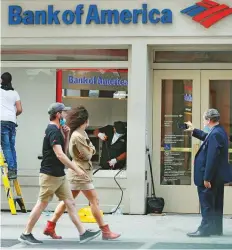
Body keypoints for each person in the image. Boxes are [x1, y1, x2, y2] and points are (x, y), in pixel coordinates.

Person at [19, 103, 101, 245]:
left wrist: (67, 134)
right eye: (63, 113)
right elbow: (60, 155)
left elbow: (64, 150)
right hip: (50, 175)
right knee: (41, 204)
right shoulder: (53, 131)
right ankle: (26, 233)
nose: (66, 115)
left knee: (70, 203)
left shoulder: (58, 130)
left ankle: (83, 233)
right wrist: (77, 169)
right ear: (58, 114)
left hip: (59, 175)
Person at [43, 106, 121, 240]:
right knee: (94, 200)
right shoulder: (78, 136)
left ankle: (50, 226)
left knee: (67, 201)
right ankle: (105, 231)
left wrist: (90, 150)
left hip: (79, 172)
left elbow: (90, 152)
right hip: (81, 173)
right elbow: (88, 155)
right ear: (84, 120)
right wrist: (91, 150)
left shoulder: (81, 134)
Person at [185, 109, 232, 237]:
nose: (204, 121)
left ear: (209, 120)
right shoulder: (218, 131)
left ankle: (205, 229)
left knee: (207, 203)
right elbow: (208, 139)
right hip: (217, 176)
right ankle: (215, 229)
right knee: (216, 203)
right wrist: (194, 131)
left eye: (204, 119)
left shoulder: (215, 134)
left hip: (211, 177)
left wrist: (207, 178)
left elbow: (212, 157)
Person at [0, 72, 22, 180]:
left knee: (6, 147)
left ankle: (12, 170)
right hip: (12, 122)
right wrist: (13, 115)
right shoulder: (15, 93)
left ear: (1, 80)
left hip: (2, 121)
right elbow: (19, 109)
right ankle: (14, 170)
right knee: (11, 146)